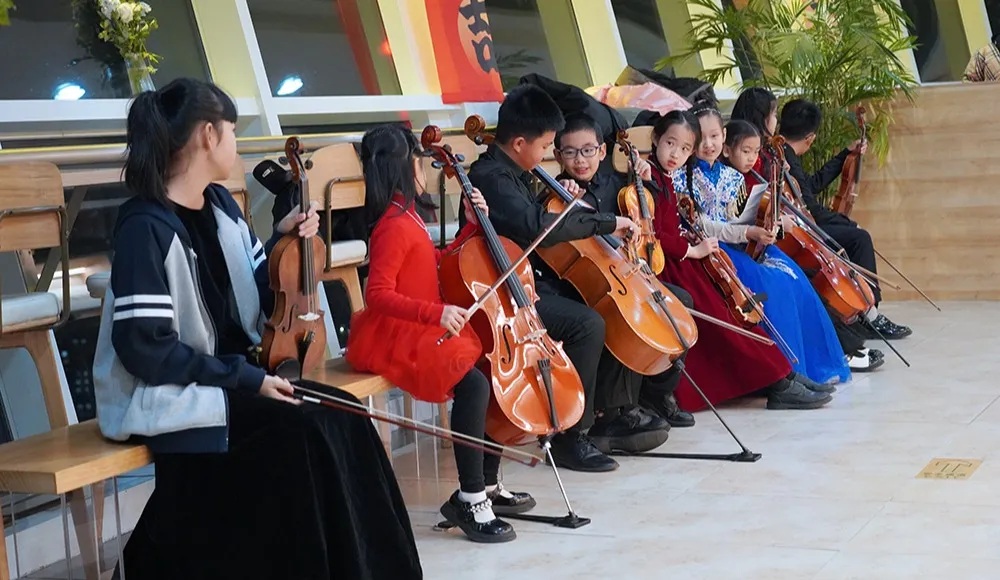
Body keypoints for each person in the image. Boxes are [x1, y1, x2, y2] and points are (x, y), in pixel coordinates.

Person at [92, 78, 422, 579]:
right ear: (207, 136)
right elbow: (147, 352)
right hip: (169, 393)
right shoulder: (144, 228)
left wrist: (283, 245)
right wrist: (247, 380)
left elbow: (262, 297)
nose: (235, 143)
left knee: (344, 412)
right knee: (300, 433)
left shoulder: (222, 208)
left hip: (231, 380)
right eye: (231, 130)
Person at [344, 124, 537, 544]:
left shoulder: (408, 216)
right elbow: (377, 295)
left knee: (487, 374)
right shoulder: (391, 225)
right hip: (399, 332)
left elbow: (432, 260)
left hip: (423, 323)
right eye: (417, 159)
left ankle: (486, 485)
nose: (423, 168)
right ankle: (471, 497)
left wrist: (470, 227)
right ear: (403, 166)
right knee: (473, 385)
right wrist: (436, 311)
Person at [559, 112, 826, 412]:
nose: (676, 154)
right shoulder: (649, 178)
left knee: (733, 312)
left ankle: (781, 375)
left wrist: (692, 245)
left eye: (685, 148)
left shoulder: (664, 176)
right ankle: (777, 381)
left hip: (679, 257)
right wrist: (692, 251)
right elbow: (656, 234)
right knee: (721, 319)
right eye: (670, 144)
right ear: (656, 139)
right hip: (669, 262)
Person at [467, 85, 670, 469]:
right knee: (587, 324)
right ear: (520, 143)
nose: (547, 154)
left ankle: (608, 413)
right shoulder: (491, 176)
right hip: (509, 291)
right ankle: (569, 436)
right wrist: (606, 221)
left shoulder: (518, 171)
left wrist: (565, 202)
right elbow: (536, 226)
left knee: (608, 306)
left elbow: (538, 219)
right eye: (546, 145)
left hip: (531, 280)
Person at [672, 105, 849, 390]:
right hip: (713, 248)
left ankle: (807, 367)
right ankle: (783, 372)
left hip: (742, 243)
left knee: (794, 279)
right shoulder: (682, 177)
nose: (709, 144)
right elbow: (702, 224)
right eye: (701, 137)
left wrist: (769, 227)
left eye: (715, 136)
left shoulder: (733, 176)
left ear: (723, 136)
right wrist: (747, 231)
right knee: (770, 287)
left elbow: (742, 216)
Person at [552, 114, 695, 428]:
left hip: (623, 273)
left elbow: (645, 218)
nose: (580, 160)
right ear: (558, 155)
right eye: (571, 152)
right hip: (582, 285)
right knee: (623, 315)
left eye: (588, 150)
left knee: (681, 302)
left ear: (602, 151)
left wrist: (644, 181)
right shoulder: (558, 195)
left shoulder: (615, 184)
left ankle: (657, 393)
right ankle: (615, 410)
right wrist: (564, 198)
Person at [730, 88, 885, 373]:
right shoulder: (755, 158)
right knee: (804, 277)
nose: (776, 121)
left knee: (812, 271)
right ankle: (843, 346)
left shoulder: (771, 153)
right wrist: (779, 219)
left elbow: (799, 195)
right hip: (757, 241)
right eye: (773, 114)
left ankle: (856, 327)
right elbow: (748, 210)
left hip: (774, 232)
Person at [777, 98, 912, 340]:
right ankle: (870, 315)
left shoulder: (785, 153)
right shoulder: (783, 157)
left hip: (803, 223)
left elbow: (811, 187)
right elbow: (811, 210)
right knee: (859, 238)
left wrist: (844, 155)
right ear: (810, 138)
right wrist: (846, 223)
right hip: (803, 228)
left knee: (854, 235)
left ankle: (865, 312)